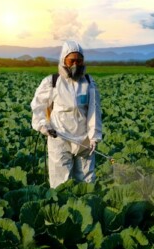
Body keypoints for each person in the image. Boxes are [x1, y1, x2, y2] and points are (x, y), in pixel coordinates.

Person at [30, 40, 102, 188]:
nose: (75, 64)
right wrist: (43, 125)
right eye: (72, 60)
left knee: (86, 179)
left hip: (84, 139)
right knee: (60, 180)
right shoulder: (52, 82)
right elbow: (38, 106)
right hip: (59, 137)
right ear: (64, 60)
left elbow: (94, 111)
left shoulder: (88, 82)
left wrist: (94, 136)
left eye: (79, 60)